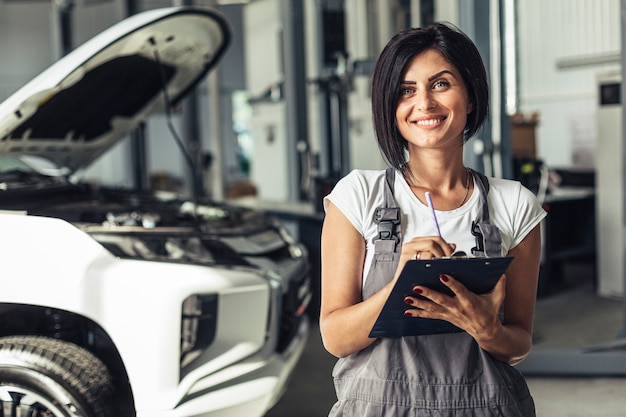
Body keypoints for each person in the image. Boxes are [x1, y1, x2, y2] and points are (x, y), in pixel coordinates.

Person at [319, 22, 547, 417]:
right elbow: (336, 339)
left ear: (471, 98)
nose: (424, 103)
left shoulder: (515, 204)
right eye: (407, 90)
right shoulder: (357, 196)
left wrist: (487, 329)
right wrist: (396, 285)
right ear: (391, 107)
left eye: (440, 84)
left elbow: (519, 343)